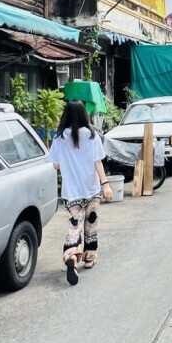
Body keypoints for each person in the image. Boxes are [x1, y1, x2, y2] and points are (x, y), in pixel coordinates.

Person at [48, 100, 113, 286]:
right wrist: (105, 184)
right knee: (91, 223)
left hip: (71, 192)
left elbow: (55, 165)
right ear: (84, 114)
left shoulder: (59, 138)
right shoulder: (92, 136)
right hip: (91, 189)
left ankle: (71, 256)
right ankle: (89, 257)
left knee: (74, 225)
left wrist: (69, 163)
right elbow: (97, 163)